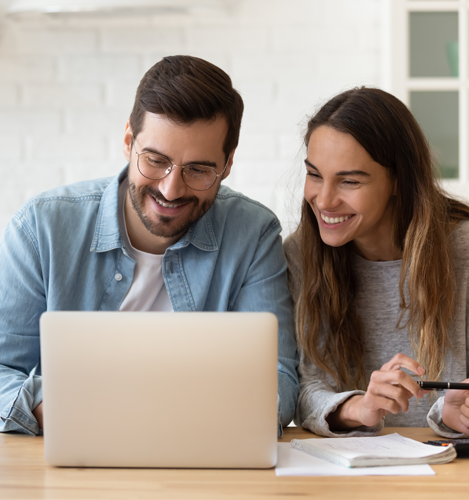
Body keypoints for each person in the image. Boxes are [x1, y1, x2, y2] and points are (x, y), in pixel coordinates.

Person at [0, 55, 299, 437]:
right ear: (128, 142)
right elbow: (3, 368)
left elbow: (277, 380)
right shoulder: (40, 228)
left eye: (199, 170)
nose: (170, 189)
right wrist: (56, 410)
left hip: (203, 459)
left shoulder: (253, 235)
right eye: (156, 161)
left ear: (227, 164)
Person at [284, 87, 469, 439]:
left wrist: (465, 415)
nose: (323, 200)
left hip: (454, 475)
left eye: (349, 181)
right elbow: (305, 388)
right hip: (345, 473)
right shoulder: (300, 254)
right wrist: (361, 408)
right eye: (314, 174)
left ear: (399, 180)